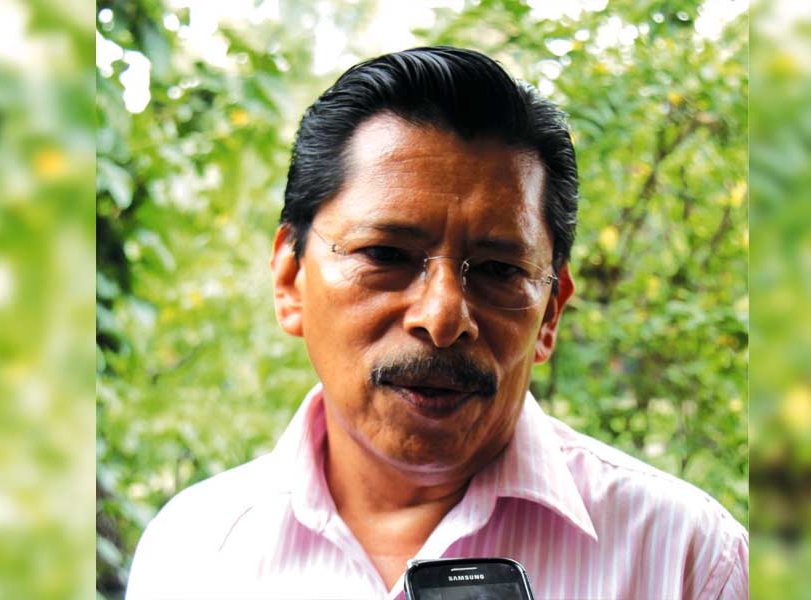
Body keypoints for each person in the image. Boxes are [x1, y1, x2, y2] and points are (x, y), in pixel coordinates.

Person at [125, 46, 747, 599]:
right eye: (385, 255)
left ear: (550, 312)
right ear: (291, 280)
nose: (443, 317)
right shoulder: (191, 553)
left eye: (499, 270)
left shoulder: (688, 561)